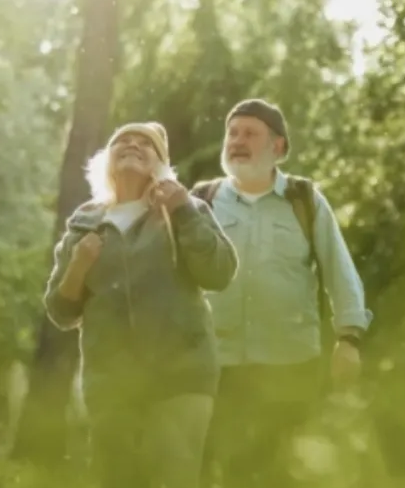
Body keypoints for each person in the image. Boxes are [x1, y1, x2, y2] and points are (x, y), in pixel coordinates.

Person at [43, 121, 239, 488]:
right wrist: (78, 267)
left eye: (144, 145)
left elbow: (219, 272)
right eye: (123, 142)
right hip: (112, 382)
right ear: (106, 160)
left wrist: (183, 210)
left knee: (171, 477)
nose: (132, 146)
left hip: (181, 374)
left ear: (160, 164)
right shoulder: (84, 223)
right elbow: (61, 311)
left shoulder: (184, 208)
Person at [194, 99, 373, 488]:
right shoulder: (201, 201)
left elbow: (340, 271)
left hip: (289, 367)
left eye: (250, 133)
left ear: (278, 147)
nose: (238, 141)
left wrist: (349, 338)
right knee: (213, 474)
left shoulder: (305, 201)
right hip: (214, 365)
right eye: (233, 132)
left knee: (280, 474)